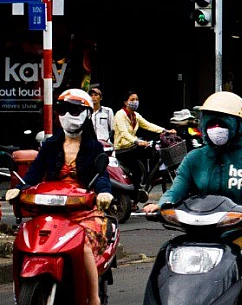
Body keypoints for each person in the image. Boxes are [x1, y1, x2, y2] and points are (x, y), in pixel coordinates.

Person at [142, 92, 242, 305]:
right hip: (197, 234)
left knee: (240, 258)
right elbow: (173, 192)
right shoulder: (194, 159)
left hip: (241, 235)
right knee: (166, 255)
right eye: (210, 121)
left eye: (221, 122)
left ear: (238, 125)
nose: (216, 127)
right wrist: (159, 206)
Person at [6, 89, 114, 305]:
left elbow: (101, 175)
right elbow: (35, 172)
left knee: (84, 245)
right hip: (51, 208)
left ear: (86, 114)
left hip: (83, 209)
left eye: (74, 110)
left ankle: (93, 298)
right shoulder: (50, 145)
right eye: (63, 109)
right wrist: (21, 188)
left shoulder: (94, 147)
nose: (68, 115)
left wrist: (104, 192)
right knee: (27, 236)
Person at [112, 91, 175, 189]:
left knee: (154, 150)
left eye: (137, 99)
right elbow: (124, 133)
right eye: (132, 100)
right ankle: (137, 190)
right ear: (125, 102)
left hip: (132, 147)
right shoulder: (120, 114)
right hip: (123, 149)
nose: (135, 102)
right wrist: (137, 141)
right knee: (136, 170)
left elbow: (148, 125)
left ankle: (151, 177)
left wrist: (165, 130)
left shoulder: (136, 115)